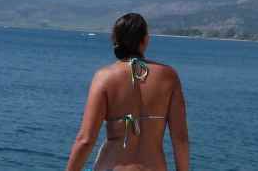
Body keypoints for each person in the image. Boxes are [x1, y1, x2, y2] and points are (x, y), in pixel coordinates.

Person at [65, 13, 190, 171]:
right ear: (145, 40)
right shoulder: (168, 77)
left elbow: (86, 140)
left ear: (115, 40)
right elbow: (180, 138)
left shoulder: (104, 77)